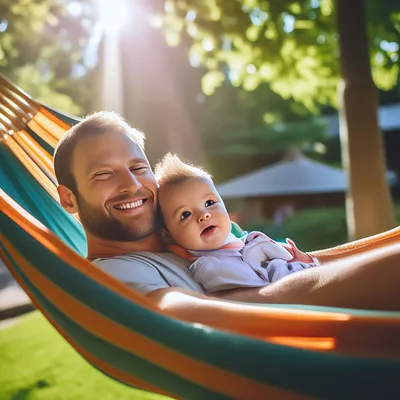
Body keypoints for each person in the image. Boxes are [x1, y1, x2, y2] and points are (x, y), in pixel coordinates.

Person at [54, 111, 400, 324]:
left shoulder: (191, 235)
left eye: (138, 167)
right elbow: (178, 313)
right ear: (68, 198)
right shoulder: (114, 274)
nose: (132, 185)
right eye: (103, 175)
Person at [155, 153, 318, 295]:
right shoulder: (213, 267)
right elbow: (259, 297)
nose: (203, 215)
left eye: (209, 202)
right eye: (185, 214)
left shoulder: (250, 242)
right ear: (168, 234)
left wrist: (298, 261)